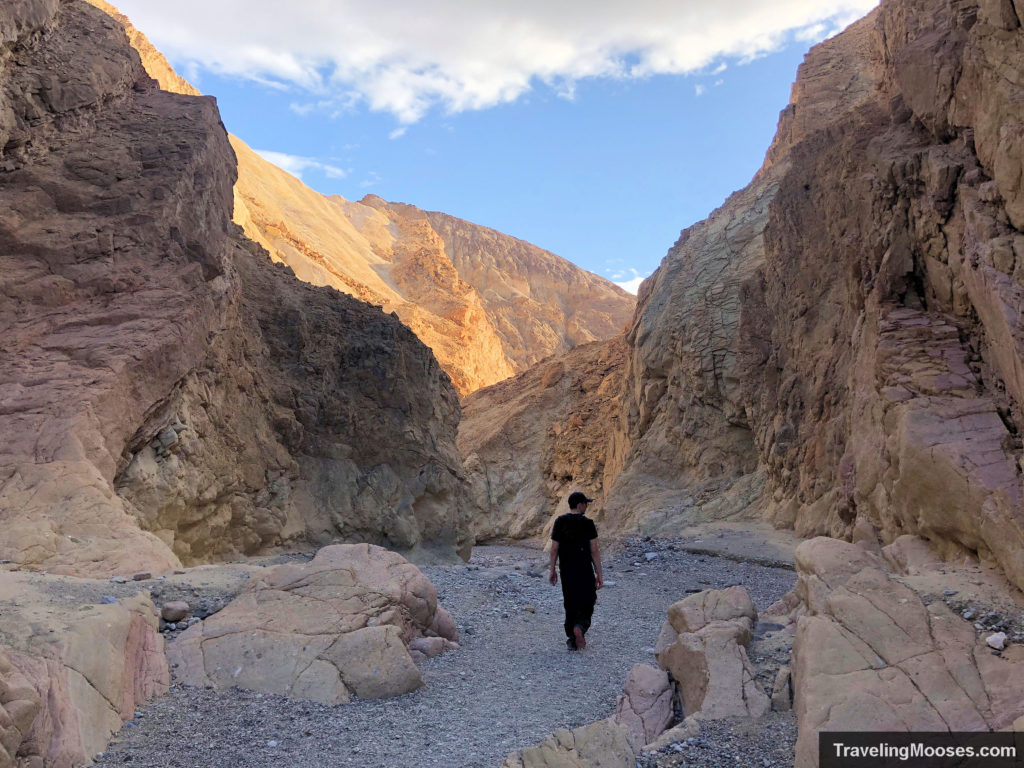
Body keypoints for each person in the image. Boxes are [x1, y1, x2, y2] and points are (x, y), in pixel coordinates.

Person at [549, 491, 604, 650]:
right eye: (585, 503)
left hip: (567, 570)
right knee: (588, 598)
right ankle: (580, 626)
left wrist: (552, 570)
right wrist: (599, 574)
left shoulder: (560, 522)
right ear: (580, 505)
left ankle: (572, 639)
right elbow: (594, 549)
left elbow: (554, 549)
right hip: (584, 569)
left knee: (570, 601)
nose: (586, 506)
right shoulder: (588, 523)